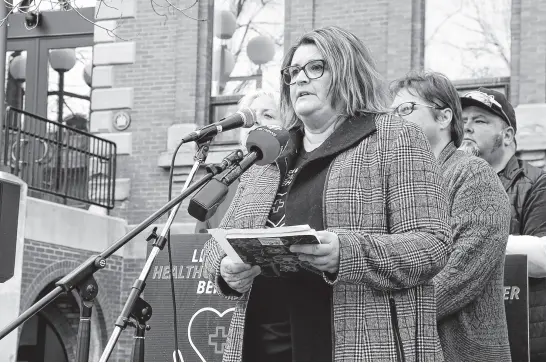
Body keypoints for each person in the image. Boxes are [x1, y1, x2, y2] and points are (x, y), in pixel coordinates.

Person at [203, 26, 452, 362]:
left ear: (348, 71)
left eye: (315, 68)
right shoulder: (270, 150)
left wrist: (346, 252)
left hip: (356, 341)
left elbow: (432, 244)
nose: (300, 79)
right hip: (262, 343)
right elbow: (217, 243)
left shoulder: (393, 137)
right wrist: (226, 269)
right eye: (292, 72)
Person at [391, 71, 511, 361]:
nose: (395, 120)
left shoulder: (473, 173)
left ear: (444, 118)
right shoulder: (402, 184)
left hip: (462, 350)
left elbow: (461, 273)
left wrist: (389, 315)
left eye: (406, 109)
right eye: (391, 112)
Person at [460, 87, 546, 361]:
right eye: (462, 121)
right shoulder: (451, 181)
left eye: (480, 120)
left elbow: (543, 256)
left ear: (507, 135)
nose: (467, 128)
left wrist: (475, 241)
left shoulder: (536, 182)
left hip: (524, 337)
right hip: (470, 335)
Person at [194, 89, 281, 233]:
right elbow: (199, 242)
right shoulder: (219, 182)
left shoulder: (292, 176)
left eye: (268, 115)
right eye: (249, 115)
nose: (255, 121)